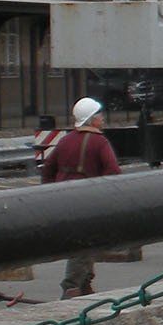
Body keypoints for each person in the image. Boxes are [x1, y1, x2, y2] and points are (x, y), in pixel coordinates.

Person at [41, 96, 122, 297]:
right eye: (99, 115)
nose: (102, 119)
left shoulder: (65, 141)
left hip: (63, 199)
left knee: (85, 242)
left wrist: (51, 192)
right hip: (88, 201)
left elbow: (47, 170)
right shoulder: (99, 142)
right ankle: (72, 288)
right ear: (91, 119)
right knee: (84, 243)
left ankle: (85, 285)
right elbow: (113, 172)